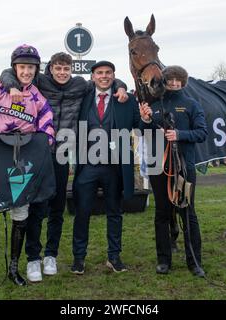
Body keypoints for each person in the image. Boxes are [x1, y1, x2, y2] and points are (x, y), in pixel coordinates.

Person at [0, 52, 128, 281]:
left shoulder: (80, 85)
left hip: (62, 153)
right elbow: (10, 73)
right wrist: (10, 86)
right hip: (36, 151)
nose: (62, 73)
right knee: (37, 208)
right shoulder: (40, 81)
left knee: (57, 207)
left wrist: (120, 85)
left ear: (71, 70)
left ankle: (51, 254)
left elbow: (104, 81)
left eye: (66, 69)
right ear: (50, 69)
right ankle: (33, 257)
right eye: (57, 69)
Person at [0, 44, 55, 291]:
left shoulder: (38, 96)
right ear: (15, 67)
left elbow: (48, 127)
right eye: (22, 67)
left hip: (21, 159)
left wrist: (45, 141)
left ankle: (14, 268)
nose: (26, 71)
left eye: (31, 67)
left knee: (20, 212)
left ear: (36, 69)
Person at [71, 60, 140, 275]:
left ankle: (114, 257)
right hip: (88, 165)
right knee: (82, 212)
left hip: (114, 168)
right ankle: (79, 258)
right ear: (93, 77)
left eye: (108, 73)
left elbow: (140, 125)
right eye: (99, 73)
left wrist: (146, 117)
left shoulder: (126, 100)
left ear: (113, 75)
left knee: (115, 212)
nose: (104, 76)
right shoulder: (83, 98)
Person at [139, 65, 208, 277]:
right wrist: (146, 120)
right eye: (171, 79)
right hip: (159, 168)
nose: (175, 83)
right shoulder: (153, 104)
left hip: (183, 168)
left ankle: (194, 260)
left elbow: (201, 132)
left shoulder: (192, 104)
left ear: (184, 82)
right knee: (162, 213)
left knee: (187, 213)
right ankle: (163, 260)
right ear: (164, 81)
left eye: (179, 80)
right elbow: (145, 133)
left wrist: (179, 134)